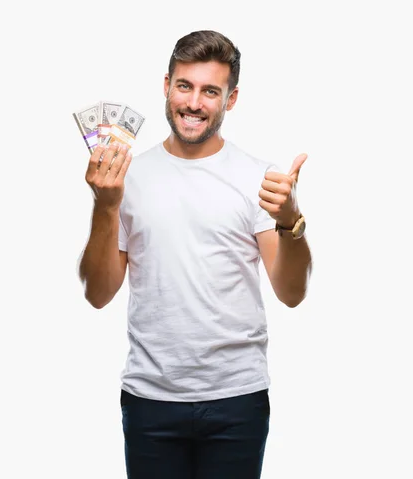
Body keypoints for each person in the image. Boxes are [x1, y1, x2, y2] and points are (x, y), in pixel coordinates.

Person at [78, 30, 313, 479]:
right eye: (185, 86)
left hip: (237, 399)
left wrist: (290, 221)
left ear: (231, 98)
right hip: (150, 400)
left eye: (211, 91)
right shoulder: (130, 176)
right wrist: (105, 205)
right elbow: (97, 293)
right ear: (166, 85)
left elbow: (292, 293)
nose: (194, 103)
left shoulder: (257, 176)